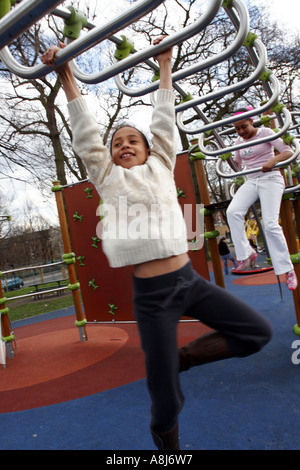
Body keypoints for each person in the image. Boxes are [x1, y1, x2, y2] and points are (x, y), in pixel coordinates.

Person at [41, 40, 272, 450]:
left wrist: (165, 65)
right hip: (152, 296)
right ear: (110, 156)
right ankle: (168, 449)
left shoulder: (163, 165)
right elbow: (85, 135)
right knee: (165, 402)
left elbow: (164, 121)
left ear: (150, 150)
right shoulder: (107, 177)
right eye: (118, 143)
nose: (125, 145)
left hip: (190, 281)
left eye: (133, 140)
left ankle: (177, 361)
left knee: (255, 332)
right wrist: (66, 76)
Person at [227, 107, 298, 290]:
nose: (241, 131)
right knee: (233, 212)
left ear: (251, 121)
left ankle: (287, 269)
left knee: (270, 223)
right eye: (237, 128)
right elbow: (238, 163)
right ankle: (245, 254)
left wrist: (272, 160)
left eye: (244, 126)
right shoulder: (238, 141)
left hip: (271, 178)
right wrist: (228, 158)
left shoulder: (265, 132)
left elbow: (288, 151)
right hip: (252, 180)